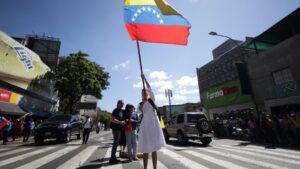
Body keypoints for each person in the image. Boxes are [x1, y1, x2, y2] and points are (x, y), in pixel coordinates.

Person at [138, 75, 166, 169]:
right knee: (145, 150)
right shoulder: (141, 103)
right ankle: (145, 167)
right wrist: (143, 102)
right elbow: (139, 111)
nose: (145, 93)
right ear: (141, 95)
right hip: (145, 126)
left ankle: (155, 168)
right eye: (143, 93)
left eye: (145, 92)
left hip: (153, 125)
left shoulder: (152, 100)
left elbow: (150, 87)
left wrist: (144, 79)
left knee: (154, 149)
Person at [109, 100, 126, 164]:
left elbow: (123, 118)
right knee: (115, 143)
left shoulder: (121, 111)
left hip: (119, 129)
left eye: (123, 104)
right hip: (115, 129)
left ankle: (113, 158)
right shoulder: (115, 110)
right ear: (118, 104)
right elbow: (112, 119)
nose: (122, 105)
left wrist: (123, 121)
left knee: (116, 143)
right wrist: (120, 122)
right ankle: (112, 159)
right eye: (121, 104)